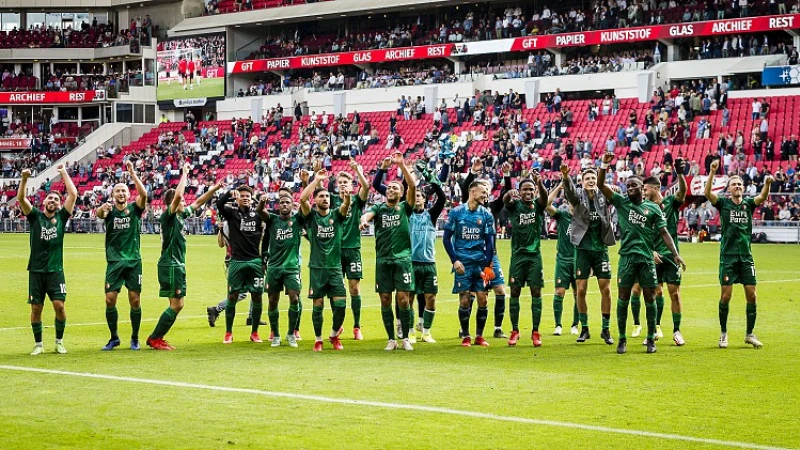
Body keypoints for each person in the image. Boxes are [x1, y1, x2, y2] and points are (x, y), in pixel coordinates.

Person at [597, 153, 686, 354]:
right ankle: (621, 339)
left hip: (646, 259)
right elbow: (602, 185)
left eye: (634, 185)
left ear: (641, 189)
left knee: (650, 298)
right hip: (627, 259)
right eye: (628, 186)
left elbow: (664, 232)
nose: (630, 188)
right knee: (623, 298)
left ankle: (650, 338)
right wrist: (604, 164)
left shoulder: (653, 209)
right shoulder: (621, 203)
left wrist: (675, 254)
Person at [147, 164, 223, 350]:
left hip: (175, 264)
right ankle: (155, 338)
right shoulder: (169, 216)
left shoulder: (180, 216)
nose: (184, 202)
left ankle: (158, 337)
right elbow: (180, 196)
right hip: (171, 265)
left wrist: (213, 189)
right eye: (180, 201)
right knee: (177, 304)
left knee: (176, 304)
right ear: (173, 203)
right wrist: (185, 174)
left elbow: (197, 202)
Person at [373, 159, 449, 343]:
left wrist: (432, 176)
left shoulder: (430, 215)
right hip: (409, 262)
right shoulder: (404, 212)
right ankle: (409, 331)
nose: (418, 199)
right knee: (409, 297)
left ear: (424, 199)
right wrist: (401, 167)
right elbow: (406, 187)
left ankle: (426, 331)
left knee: (430, 297)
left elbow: (442, 198)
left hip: (429, 262)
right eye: (415, 196)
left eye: (421, 196)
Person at [704, 159, 772, 349]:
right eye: (734, 184)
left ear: (743, 188)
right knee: (726, 296)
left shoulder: (749, 204)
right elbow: (707, 193)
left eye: (740, 184)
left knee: (752, 296)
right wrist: (712, 172)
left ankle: (749, 334)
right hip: (728, 256)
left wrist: (767, 185)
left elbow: (762, 198)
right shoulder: (724, 204)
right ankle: (723, 333)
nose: (737, 187)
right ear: (729, 188)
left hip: (746, 257)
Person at [360, 152, 416, 351]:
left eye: (396, 187)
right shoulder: (380, 207)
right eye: (389, 187)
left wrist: (401, 165)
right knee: (384, 299)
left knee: (403, 299)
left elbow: (414, 187)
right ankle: (391, 338)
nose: (391, 189)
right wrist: (364, 221)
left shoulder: (405, 207)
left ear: (401, 193)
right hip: (383, 260)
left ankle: (406, 338)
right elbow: (368, 214)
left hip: (402, 259)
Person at [18, 165, 77, 355]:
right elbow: (21, 199)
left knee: (59, 306)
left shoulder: (61, 217)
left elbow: (73, 194)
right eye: (50, 198)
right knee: (36, 308)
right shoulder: (35, 216)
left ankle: (59, 342)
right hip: (36, 270)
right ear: (44, 201)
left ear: (60, 204)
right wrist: (25, 179)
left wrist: (63, 173)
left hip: (55, 270)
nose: (53, 200)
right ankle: (38, 344)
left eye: (56, 199)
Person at [630, 162, 688, 346]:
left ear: (656, 188)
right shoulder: (644, 208)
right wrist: (650, 250)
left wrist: (680, 173)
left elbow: (683, 192)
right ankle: (655, 328)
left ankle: (677, 330)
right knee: (655, 292)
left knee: (675, 293)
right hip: (652, 256)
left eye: (646, 189)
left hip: (670, 256)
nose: (644, 192)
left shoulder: (670, 202)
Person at [96, 160, 147, 351]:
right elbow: (99, 213)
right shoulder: (108, 210)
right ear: (112, 194)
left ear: (128, 194)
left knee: (135, 300)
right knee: (110, 299)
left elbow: (144, 194)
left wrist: (133, 174)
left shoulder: (134, 209)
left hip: (133, 261)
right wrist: (103, 208)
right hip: (114, 261)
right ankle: (114, 338)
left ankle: (134, 338)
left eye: (124, 191)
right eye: (118, 191)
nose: (121, 193)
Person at [561, 165, 615, 345]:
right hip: (583, 249)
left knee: (605, 289)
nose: (591, 181)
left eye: (593, 178)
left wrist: (604, 171)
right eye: (587, 179)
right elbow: (569, 193)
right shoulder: (578, 196)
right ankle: (584, 328)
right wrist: (565, 176)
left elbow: (613, 194)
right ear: (582, 183)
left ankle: (605, 329)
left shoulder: (603, 196)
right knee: (581, 290)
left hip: (600, 250)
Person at [299, 169, 351, 352]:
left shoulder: (336, 215)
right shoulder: (312, 217)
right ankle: (318, 339)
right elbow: (302, 200)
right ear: (316, 200)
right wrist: (316, 180)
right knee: (318, 305)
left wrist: (347, 197)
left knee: (341, 305)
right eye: (321, 196)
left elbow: (346, 204)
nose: (325, 199)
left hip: (335, 268)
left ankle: (334, 334)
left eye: (327, 196)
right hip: (317, 268)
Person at [459, 158, 511, 339]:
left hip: (491, 258)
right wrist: (473, 172)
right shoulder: (468, 207)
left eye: (488, 190)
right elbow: (467, 189)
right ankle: (465, 329)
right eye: (483, 190)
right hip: (472, 257)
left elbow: (507, 193)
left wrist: (507, 176)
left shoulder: (493, 208)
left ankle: (497, 328)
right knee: (473, 292)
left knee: (500, 291)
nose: (486, 193)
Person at [443, 181, 496, 347]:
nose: (485, 196)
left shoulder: (486, 215)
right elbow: (446, 238)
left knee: (483, 299)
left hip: (480, 263)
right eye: (483, 193)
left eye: (486, 193)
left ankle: (479, 336)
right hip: (463, 263)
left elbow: (490, 243)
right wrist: (454, 260)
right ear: (472, 192)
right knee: (465, 299)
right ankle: (466, 336)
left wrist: (488, 267)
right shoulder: (457, 213)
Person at [215, 185, 266, 344]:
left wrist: (264, 260)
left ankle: (255, 332)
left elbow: (267, 233)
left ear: (252, 199)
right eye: (242, 195)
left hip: (255, 261)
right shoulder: (232, 214)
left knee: (257, 296)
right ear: (237, 198)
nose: (245, 197)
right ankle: (228, 332)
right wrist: (229, 193)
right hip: (236, 261)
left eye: (248, 196)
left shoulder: (258, 214)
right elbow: (219, 205)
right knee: (232, 296)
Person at [503, 172, 548, 347]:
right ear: (519, 192)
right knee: (515, 292)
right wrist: (508, 193)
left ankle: (535, 332)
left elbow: (544, 198)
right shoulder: (514, 206)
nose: (528, 192)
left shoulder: (538, 205)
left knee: (536, 292)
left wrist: (540, 183)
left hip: (534, 256)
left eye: (531, 189)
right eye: (525, 190)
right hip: (518, 256)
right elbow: (506, 200)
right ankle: (515, 330)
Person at [256, 192, 303, 348]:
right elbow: (260, 212)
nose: (284, 205)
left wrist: (306, 183)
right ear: (278, 205)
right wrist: (262, 202)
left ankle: (291, 333)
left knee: (295, 298)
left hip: (291, 267)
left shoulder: (297, 220)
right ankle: (275, 334)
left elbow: (305, 205)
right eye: (282, 202)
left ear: (292, 205)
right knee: (272, 301)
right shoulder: (273, 220)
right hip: (274, 267)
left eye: (287, 202)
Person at [331, 159, 370, 340]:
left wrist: (357, 170)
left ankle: (356, 326)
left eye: (345, 182)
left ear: (351, 186)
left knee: (354, 288)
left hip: (353, 249)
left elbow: (367, 187)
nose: (342, 185)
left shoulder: (356, 201)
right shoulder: (330, 201)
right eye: (339, 183)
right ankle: (337, 326)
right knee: (335, 289)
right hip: (335, 251)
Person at [545, 183, 579, 336]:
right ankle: (558, 325)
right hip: (563, 261)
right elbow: (546, 204)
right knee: (559, 292)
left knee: (578, 293)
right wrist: (559, 188)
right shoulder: (562, 216)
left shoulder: (584, 220)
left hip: (579, 261)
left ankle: (575, 325)